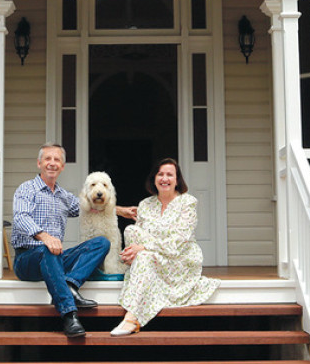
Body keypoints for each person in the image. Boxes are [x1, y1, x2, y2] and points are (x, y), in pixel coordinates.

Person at [11, 143, 136, 337]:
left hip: (55, 258)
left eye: (57, 160)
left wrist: (121, 210)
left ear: (62, 166)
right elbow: (20, 218)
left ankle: (70, 283)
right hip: (27, 260)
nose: (52, 163)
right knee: (50, 249)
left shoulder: (63, 196)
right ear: (39, 163)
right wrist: (45, 237)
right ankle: (69, 314)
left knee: (102, 242)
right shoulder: (26, 189)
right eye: (48, 159)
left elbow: (91, 204)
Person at [110, 157, 220, 336]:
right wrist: (139, 250)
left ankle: (131, 318)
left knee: (144, 256)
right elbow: (137, 237)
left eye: (170, 175)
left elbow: (178, 241)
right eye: (160, 174)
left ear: (177, 180)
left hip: (179, 260)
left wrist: (143, 248)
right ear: (154, 178)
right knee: (131, 230)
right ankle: (131, 320)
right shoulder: (145, 205)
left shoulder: (188, 202)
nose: (164, 178)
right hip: (155, 258)